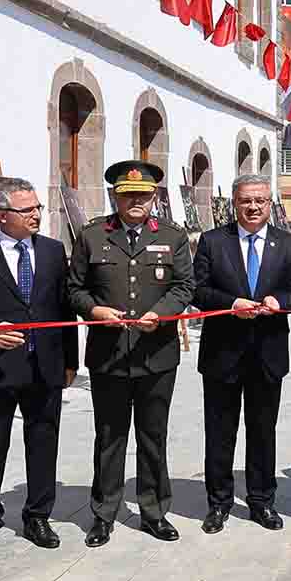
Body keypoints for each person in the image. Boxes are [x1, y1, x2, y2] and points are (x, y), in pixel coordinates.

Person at [67, 161, 193, 547]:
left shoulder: (173, 236)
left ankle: (154, 512)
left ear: (154, 196)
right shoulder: (92, 236)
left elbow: (185, 285)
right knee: (109, 436)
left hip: (157, 354)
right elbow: (74, 289)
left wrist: (164, 313)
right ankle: (104, 513)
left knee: (153, 435)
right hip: (109, 356)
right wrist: (94, 311)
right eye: (127, 194)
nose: (135, 200)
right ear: (115, 197)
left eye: (143, 194)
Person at [0, 179, 80, 561]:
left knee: (43, 443)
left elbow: (63, 310)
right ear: (2, 216)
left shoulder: (55, 251)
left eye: (38, 207)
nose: (37, 215)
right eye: (28, 211)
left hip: (45, 366)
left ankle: (38, 515)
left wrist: (71, 360)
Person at [192, 173, 291, 534]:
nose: (253, 207)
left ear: (269, 201)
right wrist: (230, 304)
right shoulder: (213, 242)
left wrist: (280, 302)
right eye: (246, 200)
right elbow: (198, 290)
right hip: (222, 355)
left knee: (262, 432)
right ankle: (218, 504)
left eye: (260, 200)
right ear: (234, 202)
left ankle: (261, 501)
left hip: (267, 354)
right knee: (220, 432)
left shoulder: (288, 243)